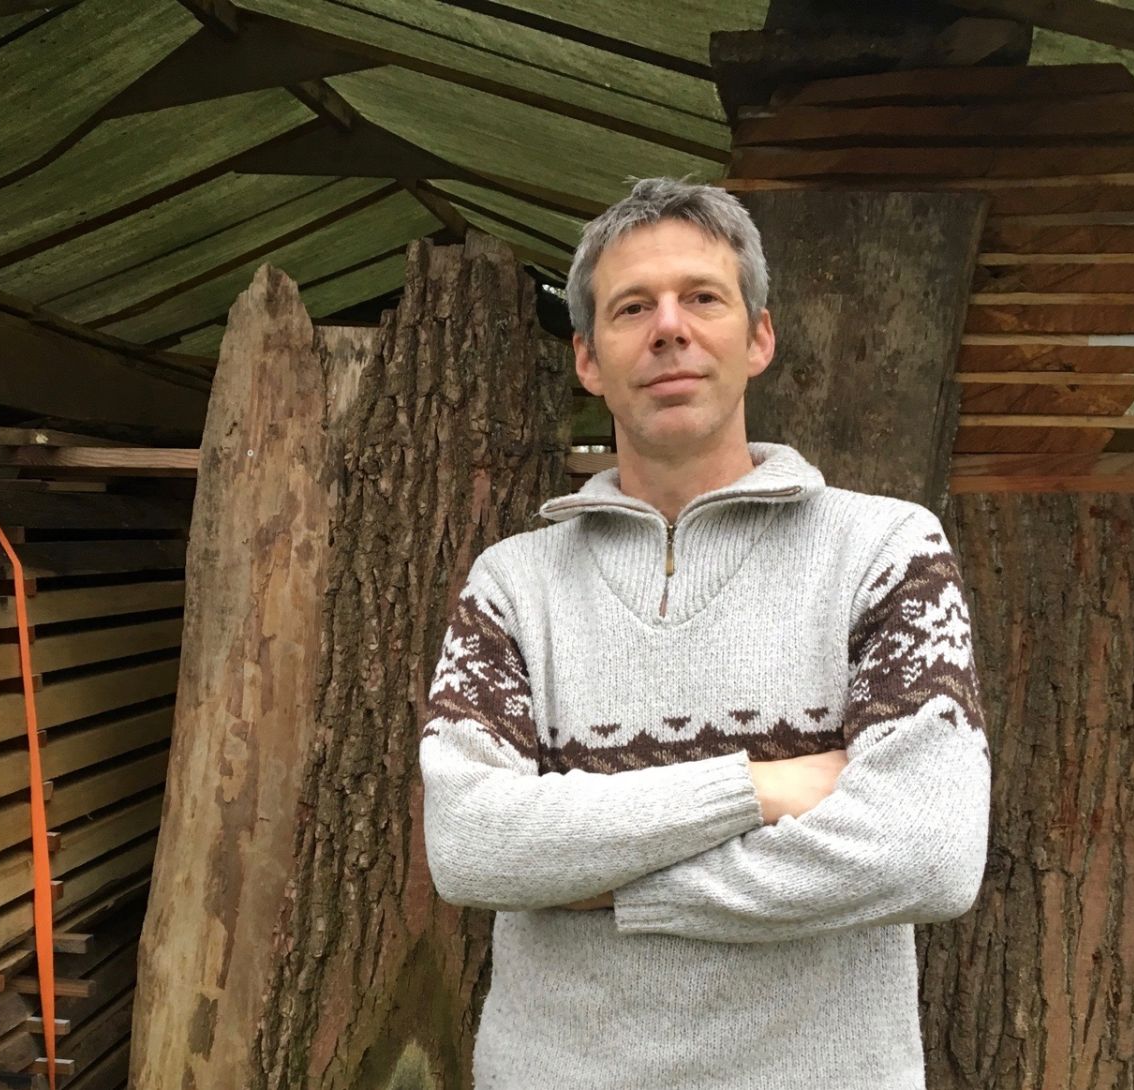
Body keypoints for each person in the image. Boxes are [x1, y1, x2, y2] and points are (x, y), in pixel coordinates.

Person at [417, 177, 992, 1089]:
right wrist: (762, 788)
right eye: (632, 307)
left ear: (757, 337)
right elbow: (471, 845)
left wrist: (600, 883)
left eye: (703, 298)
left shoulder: (885, 549)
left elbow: (926, 850)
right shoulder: (512, 587)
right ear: (589, 360)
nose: (669, 328)